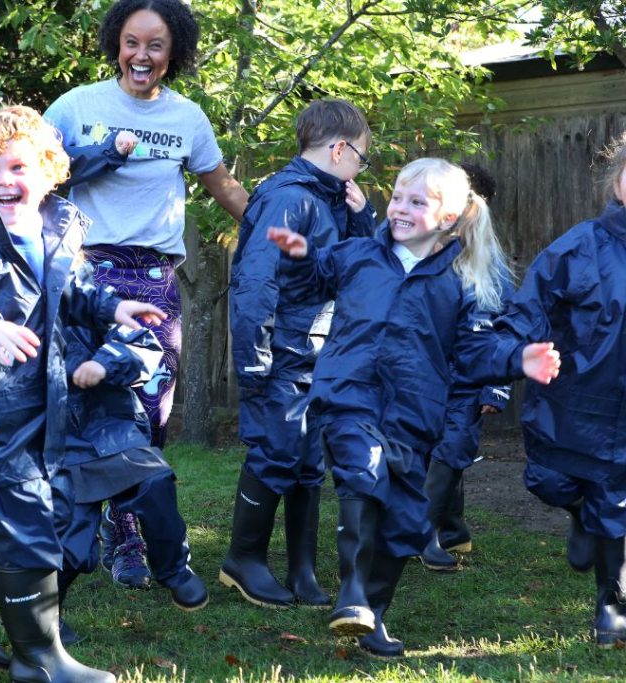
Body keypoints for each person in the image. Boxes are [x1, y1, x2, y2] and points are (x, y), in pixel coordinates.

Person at [0, 105, 162, 682]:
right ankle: (39, 661)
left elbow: (74, 295)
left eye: (18, 167)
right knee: (28, 534)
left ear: (49, 172)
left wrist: (114, 306)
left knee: (33, 516)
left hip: (39, 408)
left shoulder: (55, 235)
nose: (5, 181)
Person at [267, 157, 560, 657]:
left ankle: (372, 616)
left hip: (414, 412)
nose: (399, 207)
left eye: (416, 201)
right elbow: (308, 286)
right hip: (348, 394)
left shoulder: (462, 280)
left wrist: (517, 359)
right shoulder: (356, 254)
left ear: (448, 217)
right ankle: (352, 594)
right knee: (362, 472)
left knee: (406, 522)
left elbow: (472, 353)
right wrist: (297, 258)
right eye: (398, 196)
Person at [44, 0, 249, 589]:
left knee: (152, 412)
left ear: (173, 52)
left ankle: (126, 529)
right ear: (116, 43)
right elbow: (32, 170)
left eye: (155, 45)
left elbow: (226, 190)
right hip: (86, 275)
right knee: (87, 407)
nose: (142, 55)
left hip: (156, 280)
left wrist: (282, 229)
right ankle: (90, 538)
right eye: (132, 42)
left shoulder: (187, 117)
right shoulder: (76, 107)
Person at [222, 98, 376, 609]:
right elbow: (255, 281)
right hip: (283, 350)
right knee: (277, 450)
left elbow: (354, 269)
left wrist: (362, 217)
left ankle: (303, 571)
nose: (361, 167)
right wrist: (253, 357)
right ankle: (243, 560)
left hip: (319, 353)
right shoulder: (289, 198)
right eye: (362, 157)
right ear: (339, 149)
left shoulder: (333, 199)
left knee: (308, 459)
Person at [479, 136, 626, 647]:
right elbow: (528, 307)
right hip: (573, 401)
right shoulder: (579, 246)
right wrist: (508, 351)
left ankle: (611, 604)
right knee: (549, 481)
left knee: (617, 501)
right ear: (617, 181)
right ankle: (579, 515)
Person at [53, 323, 208, 644]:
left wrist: (105, 362)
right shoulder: (19, 309)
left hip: (110, 427)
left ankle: (173, 569)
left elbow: (143, 344)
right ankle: (45, 615)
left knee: (155, 480)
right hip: (56, 442)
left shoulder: (88, 299)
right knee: (74, 544)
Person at [420, 162, 512, 571]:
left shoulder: (491, 270)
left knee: (453, 450)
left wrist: (496, 387)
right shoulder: (426, 260)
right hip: (428, 380)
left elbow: (504, 330)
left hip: (468, 384)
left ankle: (427, 533)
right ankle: (449, 528)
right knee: (434, 451)